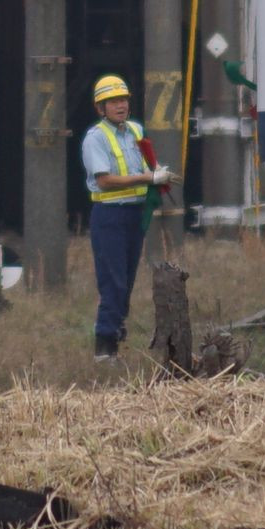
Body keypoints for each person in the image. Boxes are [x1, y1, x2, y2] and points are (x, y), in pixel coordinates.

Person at [77, 75, 166, 360]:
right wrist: (147, 178)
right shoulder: (96, 138)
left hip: (134, 213)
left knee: (126, 280)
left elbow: (146, 164)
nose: (121, 105)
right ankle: (104, 348)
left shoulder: (136, 130)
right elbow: (104, 181)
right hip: (109, 214)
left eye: (124, 100)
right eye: (113, 101)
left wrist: (157, 174)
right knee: (112, 281)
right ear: (100, 108)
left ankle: (116, 329)